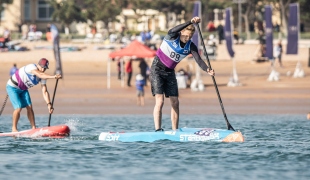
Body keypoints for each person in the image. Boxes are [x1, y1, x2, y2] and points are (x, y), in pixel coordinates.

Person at [150, 16, 215, 131]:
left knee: (175, 102)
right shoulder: (172, 36)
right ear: (182, 32)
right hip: (157, 69)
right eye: (185, 35)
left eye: (190, 36)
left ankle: (175, 131)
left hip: (170, 72)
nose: (187, 38)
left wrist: (207, 69)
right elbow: (173, 29)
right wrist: (190, 22)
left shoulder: (191, 46)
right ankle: (157, 129)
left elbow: (199, 60)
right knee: (160, 102)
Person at [6, 58, 62, 132]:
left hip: (23, 89)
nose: (43, 70)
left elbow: (44, 91)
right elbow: (39, 74)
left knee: (29, 107)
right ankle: (14, 129)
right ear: (38, 65)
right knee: (18, 107)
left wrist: (49, 104)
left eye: (45, 68)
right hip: (12, 87)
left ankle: (33, 128)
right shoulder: (31, 67)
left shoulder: (43, 77)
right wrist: (53, 77)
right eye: (42, 67)